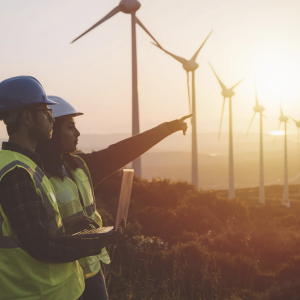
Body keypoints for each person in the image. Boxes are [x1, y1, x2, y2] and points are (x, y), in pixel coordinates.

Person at [35, 95, 192, 300]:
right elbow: (37, 233)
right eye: (70, 127)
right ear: (52, 131)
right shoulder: (35, 175)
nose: (78, 133)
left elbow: (123, 150)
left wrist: (168, 128)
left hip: (92, 269)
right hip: (61, 277)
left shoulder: (82, 166)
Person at [0, 76, 122, 300]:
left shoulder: (26, 165)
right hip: (38, 293)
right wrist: (94, 244)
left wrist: (68, 224)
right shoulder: (17, 172)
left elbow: (28, 231)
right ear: (27, 117)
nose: (51, 118)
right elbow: (39, 245)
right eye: (46, 111)